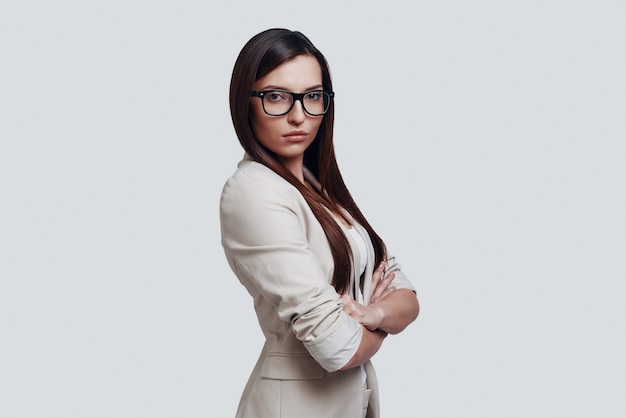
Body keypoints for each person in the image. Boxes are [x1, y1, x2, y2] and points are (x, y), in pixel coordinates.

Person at [220, 28, 420, 418]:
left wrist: (373, 314)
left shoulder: (320, 187)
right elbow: (337, 348)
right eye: (276, 97)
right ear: (245, 102)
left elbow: (407, 296)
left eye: (312, 96)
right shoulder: (254, 193)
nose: (299, 115)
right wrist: (381, 326)